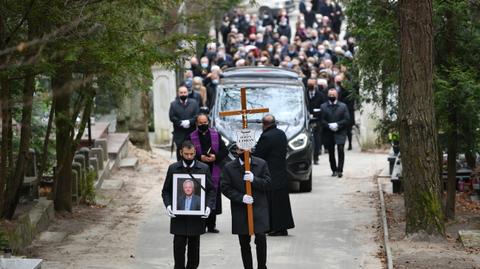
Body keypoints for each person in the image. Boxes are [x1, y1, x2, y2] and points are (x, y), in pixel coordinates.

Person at [161, 140, 216, 269]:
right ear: (181, 153)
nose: (189, 157)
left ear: (195, 152)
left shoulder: (203, 168)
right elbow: (166, 191)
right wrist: (168, 205)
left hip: (196, 216)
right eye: (186, 154)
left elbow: (211, 190)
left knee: (194, 249)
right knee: (178, 246)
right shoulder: (173, 168)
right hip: (179, 216)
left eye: (192, 154)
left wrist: (208, 206)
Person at [221, 146, 271, 269]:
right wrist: (240, 197)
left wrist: (255, 179)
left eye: (247, 149)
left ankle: (262, 266)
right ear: (237, 151)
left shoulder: (261, 164)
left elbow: (268, 183)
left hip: (259, 208)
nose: (244, 152)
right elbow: (225, 187)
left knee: (260, 237)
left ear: (252, 149)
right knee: (244, 242)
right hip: (240, 209)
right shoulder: (229, 167)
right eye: (241, 150)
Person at [253, 114, 295, 236]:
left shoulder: (266, 137)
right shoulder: (281, 133)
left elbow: (259, 154)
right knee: (282, 202)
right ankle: (283, 227)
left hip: (270, 173)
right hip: (281, 171)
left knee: (273, 202)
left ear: (264, 124)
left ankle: (275, 227)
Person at [189, 114, 228, 233]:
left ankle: (211, 226)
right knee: (199, 196)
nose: (203, 125)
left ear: (208, 122)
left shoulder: (216, 134)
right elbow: (187, 151)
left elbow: (224, 151)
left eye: (205, 122)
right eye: (200, 123)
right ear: (196, 124)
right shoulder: (191, 136)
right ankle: (200, 224)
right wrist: (200, 157)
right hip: (198, 171)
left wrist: (215, 157)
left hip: (213, 170)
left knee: (212, 196)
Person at [320, 88, 350, 178]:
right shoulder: (323, 106)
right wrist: (329, 125)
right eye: (330, 95)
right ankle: (334, 170)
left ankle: (340, 170)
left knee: (341, 150)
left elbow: (347, 119)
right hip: (328, 132)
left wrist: (338, 124)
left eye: (333, 95)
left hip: (340, 131)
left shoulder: (343, 106)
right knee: (331, 152)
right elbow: (321, 120)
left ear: (337, 95)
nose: (331, 96)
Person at [169, 86, 200, 161]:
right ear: (178, 93)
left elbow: (197, 115)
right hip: (179, 134)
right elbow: (172, 117)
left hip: (191, 133)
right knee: (180, 152)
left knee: (191, 151)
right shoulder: (173, 104)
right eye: (181, 93)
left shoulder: (194, 103)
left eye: (184, 92)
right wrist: (181, 123)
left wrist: (190, 121)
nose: (183, 94)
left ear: (187, 93)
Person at [306, 78, 327, 164]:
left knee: (316, 139)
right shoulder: (304, 94)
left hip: (317, 120)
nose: (310, 86)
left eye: (312, 84)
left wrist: (316, 113)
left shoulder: (320, 95)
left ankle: (316, 157)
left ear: (315, 85)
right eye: (309, 84)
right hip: (306, 120)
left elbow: (323, 107)